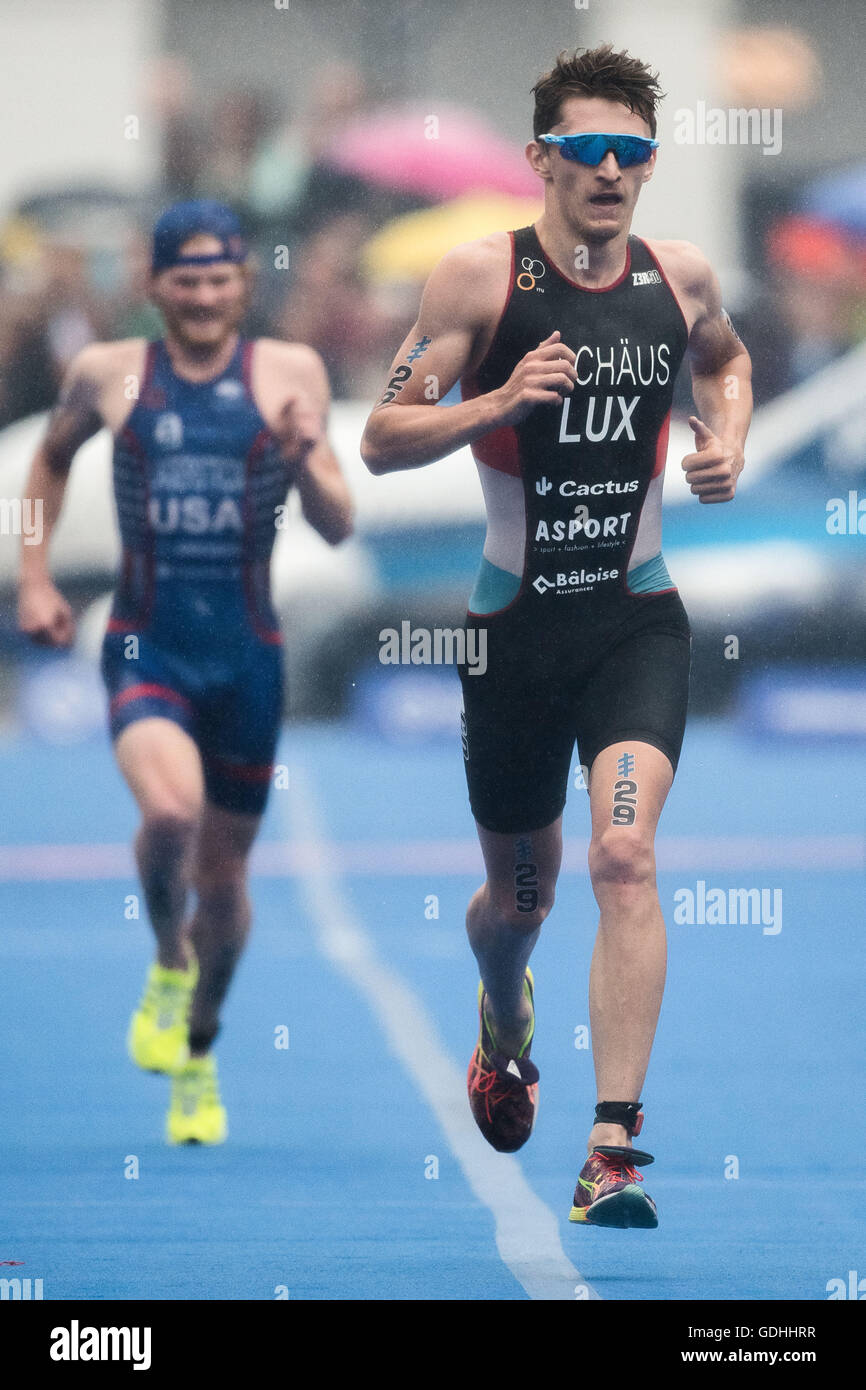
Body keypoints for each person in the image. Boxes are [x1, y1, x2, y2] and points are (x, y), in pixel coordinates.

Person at [361, 45, 751, 1228]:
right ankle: (501, 1010)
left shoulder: (678, 276)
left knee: (622, 858)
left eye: (631, 153)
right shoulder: (477, 282)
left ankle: (611, 1150)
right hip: (513, 634)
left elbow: (725, 364)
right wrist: (496, 400)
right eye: (586, 149)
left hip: (635, 621)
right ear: (538, 158)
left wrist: (724, 436)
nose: (609, 171)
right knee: (516, 903)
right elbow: (382, 436)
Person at [18, 200, 353, 1144]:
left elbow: (337, 523)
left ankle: (199, 1049)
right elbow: (45, 467)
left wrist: (305, 461)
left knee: (228, 879)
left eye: (221, 279)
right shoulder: (108, 373)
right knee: (167, 813)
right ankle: (169, 961)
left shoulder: (290, 372)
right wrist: (34, 575)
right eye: (186, 280)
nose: (204, 296)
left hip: (248, 656)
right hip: (146, 643)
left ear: (244, 282)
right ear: (156, 285)